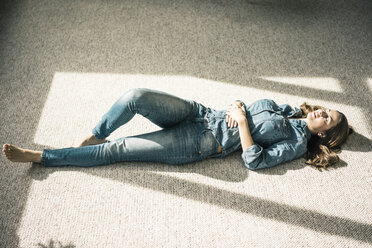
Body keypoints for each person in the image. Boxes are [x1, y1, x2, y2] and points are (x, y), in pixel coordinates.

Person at [2, 88, 352, 170]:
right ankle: (97, 132)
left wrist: (243, 122)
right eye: (326, 109)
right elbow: (241, 105)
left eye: (328, 119)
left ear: (323, 134)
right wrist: (238, 107)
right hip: (201, 113)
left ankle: (43, 156)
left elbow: (254, 161)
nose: (322, 112)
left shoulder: (294, 142)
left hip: (201, 141)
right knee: (136, 96)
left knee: (120, 150)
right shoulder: (287, 109)